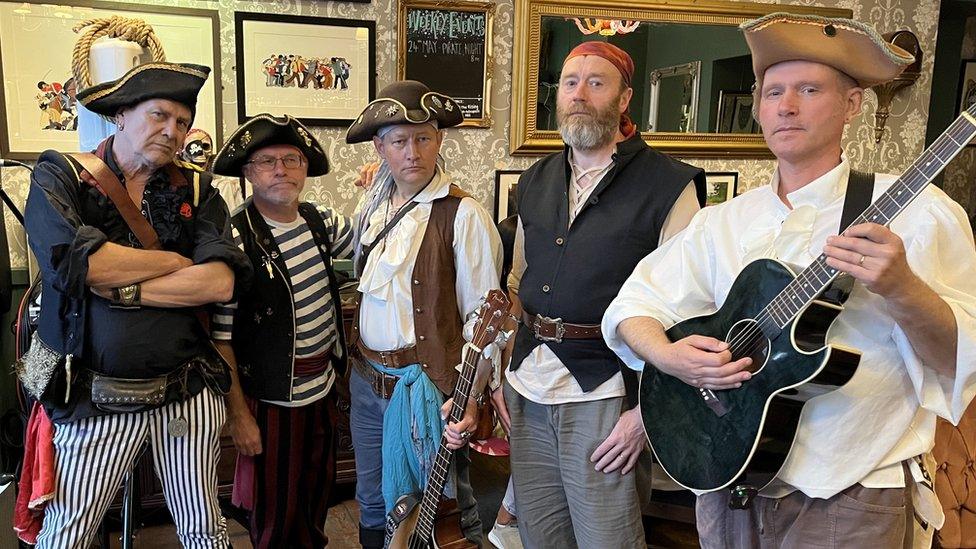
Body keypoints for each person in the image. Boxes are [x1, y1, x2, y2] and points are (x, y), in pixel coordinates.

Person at [603, 13, 976, 548]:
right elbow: (633, 305)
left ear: (852, 104)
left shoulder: (921, 213)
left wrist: (902, 288)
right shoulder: (722, 221)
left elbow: (958, 359)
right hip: (729, 482)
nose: (787, 106)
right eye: (773, 91)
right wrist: (668, 355)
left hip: (851, 491)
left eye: (808, 89)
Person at [467, 40, 705, 548]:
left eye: (597, 83)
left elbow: (691, 315)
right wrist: (499, 373)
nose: (580, 94)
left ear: (623, 100)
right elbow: (517, 286)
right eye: (571, 83)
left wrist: (648, 417)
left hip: (609, 390)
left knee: (606, 538)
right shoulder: (534, 180)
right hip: (528, 383)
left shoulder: (670, 185)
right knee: (540, 534)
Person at [23, 62, 251, 547]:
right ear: (122, 114)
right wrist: (176, 261)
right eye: (159, 115)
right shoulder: (59, 174)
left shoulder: (196, 188)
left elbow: (219, 282)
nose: (173, 131)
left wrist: (126, 287)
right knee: (68, 532)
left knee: (205, 529)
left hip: (188, 392)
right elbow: (82, 266)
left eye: (183, 122)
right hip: (93, 398)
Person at [345, 80, 502, 549]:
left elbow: (482, 316)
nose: (412, 151)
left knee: (440, 506)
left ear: (439, 141)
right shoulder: (371, 207)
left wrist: (472, 395)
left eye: (423, 138)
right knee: (373, 498)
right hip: (366, 380)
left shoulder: (463, 213)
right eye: (398, 141)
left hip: (429, 385)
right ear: (379, 147)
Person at [209, 114, 355, 548]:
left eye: (291, 159)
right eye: (267, 160)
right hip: (270, 401)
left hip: (323, 389)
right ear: (248, 173)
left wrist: (383, 179)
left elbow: (381, 237)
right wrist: (239, 416)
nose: (281, 169)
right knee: (274, 512)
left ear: (305, 169)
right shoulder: (235, 238)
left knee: (316, 496)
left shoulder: (322, 221)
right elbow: (221, 339)